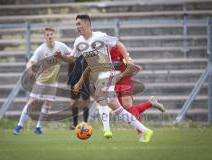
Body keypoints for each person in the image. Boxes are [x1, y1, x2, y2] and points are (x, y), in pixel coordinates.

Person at [54, 14, 153, 142]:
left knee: (100, 97)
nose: (77, 27)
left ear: (87, 24)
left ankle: (107, 130)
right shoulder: (78, 42)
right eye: (76, 24)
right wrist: (60, 57)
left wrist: (128, 60)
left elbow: (119, 44)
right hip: (96, 76)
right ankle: (146, 130)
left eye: (79, 24)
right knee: (118, 109)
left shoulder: (100, 36)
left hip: (108, 72)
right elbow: (73, 58)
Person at [13, 27, 71, 135]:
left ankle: (38, 128)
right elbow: (30, 62)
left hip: (53, 82)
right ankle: (19, 126)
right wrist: (30, 71)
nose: (50, 36)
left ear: (54, 35)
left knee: (48, 104)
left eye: (51, 34)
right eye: (47, 35)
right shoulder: (41, 49)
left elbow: (72, 54)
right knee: (32, 102)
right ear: (44, 37)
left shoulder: (61, 46)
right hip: (41, 81)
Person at [110, 47, 165, 142]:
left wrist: (127, 71)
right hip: (114, 84)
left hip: (124, 81)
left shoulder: (119, 51)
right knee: (122, 111)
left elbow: (131, 67)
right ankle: (150, 103)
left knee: (128, 106)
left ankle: (142, 133)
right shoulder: (103, 53)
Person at [67, 55, 90, 129]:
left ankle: (85, 123)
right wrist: (70, 80)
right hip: (74, 81)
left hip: (85, 81)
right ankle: (75, 124)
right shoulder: (73, 54)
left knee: (85, 102)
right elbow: (70, 68)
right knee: (73, 103)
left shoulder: (87, 54)